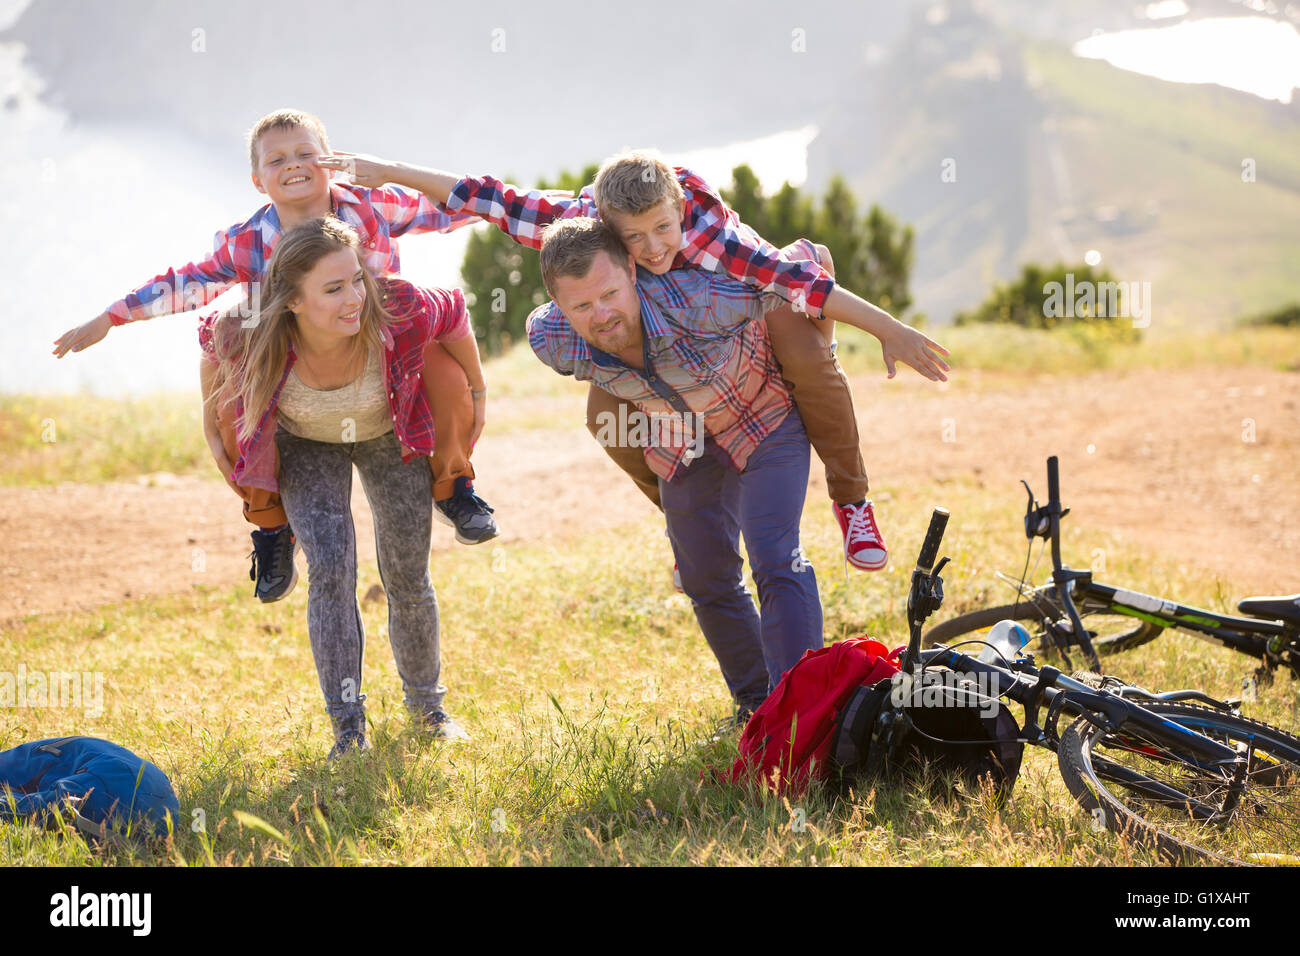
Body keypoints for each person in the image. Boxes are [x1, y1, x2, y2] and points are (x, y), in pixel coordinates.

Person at [317, 148, 950, 575]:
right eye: (632, 237)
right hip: (671, 340)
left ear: (677, 210)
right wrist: (388, 170)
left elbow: (798, 284)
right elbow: (491, 199)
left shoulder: (709, 236)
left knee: (807, 358)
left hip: (763, 306)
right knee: (606, 419)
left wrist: (890, 329)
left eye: (661, 230)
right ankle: (689, 532)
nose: (649, 248)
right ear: (604, 220)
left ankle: (851, 501)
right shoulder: (587, 219)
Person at [52, 109, 498, 604]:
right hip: (297, 373)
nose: (293, 164)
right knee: (229, 402)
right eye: (276, 159)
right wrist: (112, 317)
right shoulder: (248, 242)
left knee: (446, 370)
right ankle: (270, 526)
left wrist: (528, 206)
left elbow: (450, 207)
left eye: (307, 153)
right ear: (257, 181)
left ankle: (453, 486)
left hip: (384, 360)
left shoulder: (372, 207)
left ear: (332, 163)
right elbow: (187, 284)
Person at [529, 217, 827, 722]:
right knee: (702, 575)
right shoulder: (551, 341)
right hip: (681, 436)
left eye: (609, 294)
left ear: (631, 269)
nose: (600, 315)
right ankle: (759, 705)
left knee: (776, 557)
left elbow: (802, 268)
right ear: (559, 308)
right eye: (580, 306)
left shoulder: (700, 295)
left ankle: (804, 712)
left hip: (761, 413)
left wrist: (869, 334)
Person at [200, 216, 474, 757]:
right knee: (330, 569)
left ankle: (428, 711)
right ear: (294, 301)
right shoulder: (253, 327)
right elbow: (211, 338)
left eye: (356, 280)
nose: (354, 298)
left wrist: (480, 389)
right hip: (306, 443)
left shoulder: (397, 305)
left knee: (406, 570)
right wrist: (211, 419)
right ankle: (348, 730)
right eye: (333, 288)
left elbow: (457, 311)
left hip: (387, 433)